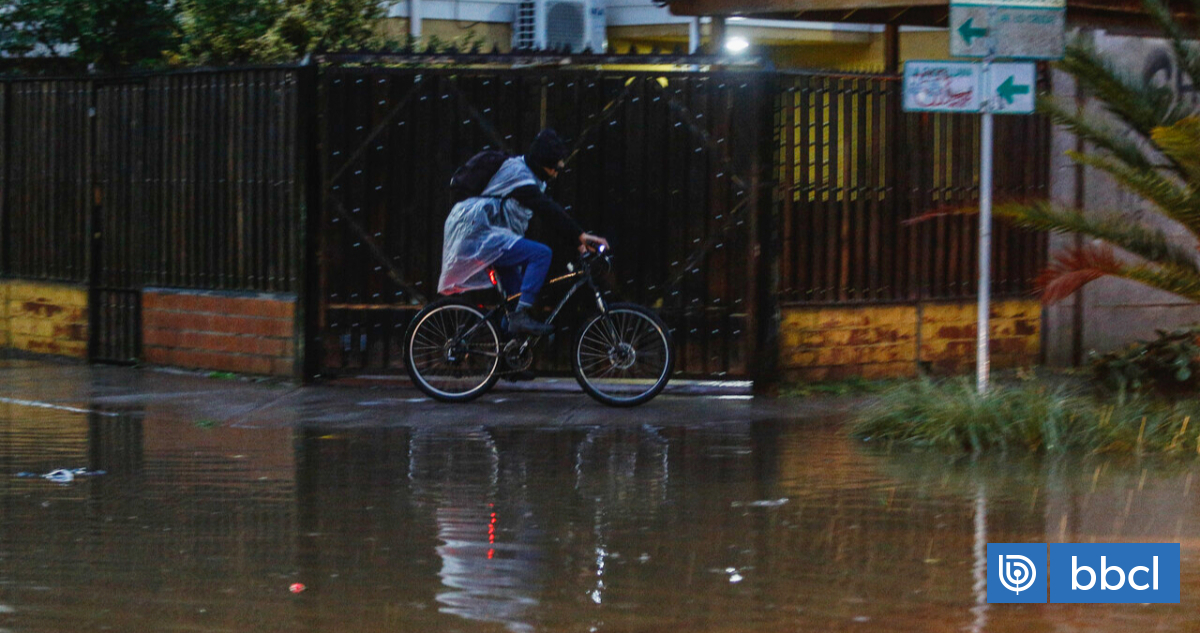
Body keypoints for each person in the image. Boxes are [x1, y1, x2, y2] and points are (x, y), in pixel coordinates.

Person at [438, 128, 608, 336]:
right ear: (541, 163)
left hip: (492, 239)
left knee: (516, 296)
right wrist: (580, 235)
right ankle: (518, 318)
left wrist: (577, 242)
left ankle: (509, 356)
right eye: (554, 165)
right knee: (541, 254)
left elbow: (547, 214)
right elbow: (546, 209)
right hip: (479, 235)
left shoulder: (529, 177)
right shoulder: (518, 175)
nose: (557, 170)